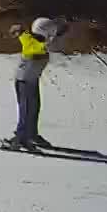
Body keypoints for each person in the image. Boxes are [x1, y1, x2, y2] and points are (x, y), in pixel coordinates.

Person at [7, 17, 65, 150]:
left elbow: (25, 35)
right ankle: (20, 137)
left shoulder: (33, 39)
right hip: (24, 81)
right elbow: (37, 48)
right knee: (26, 109)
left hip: (32, 81)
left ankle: (31, 134)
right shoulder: (33, 44)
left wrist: (19, 30)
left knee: (34, 108)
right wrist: (49, 43)